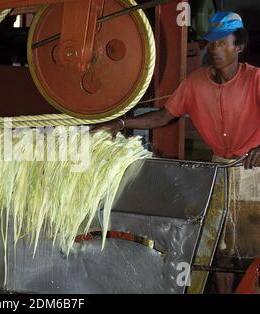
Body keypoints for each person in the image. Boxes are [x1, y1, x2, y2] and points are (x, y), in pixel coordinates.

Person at [94, 12, 260, 293]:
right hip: (220, 169)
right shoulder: (195, 83)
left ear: (239, 47)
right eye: (212, 43)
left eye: (223, 43)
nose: (215, 49)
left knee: (252, 247)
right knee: (221, 250)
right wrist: (121, 123)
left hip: (254, 171)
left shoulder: (255, 80)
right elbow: (162, 118)